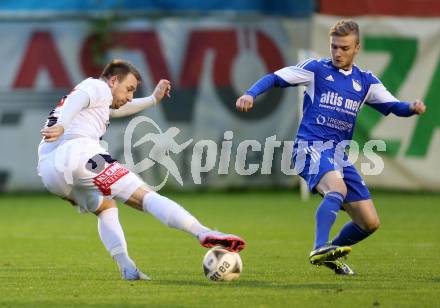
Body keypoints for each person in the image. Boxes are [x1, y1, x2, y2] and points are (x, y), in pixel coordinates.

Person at [235, 20, 426, 275]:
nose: (337, 53)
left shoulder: (365, 82)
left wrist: (411, 108)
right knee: (337, 186)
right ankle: (319, 246)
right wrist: (250, 93)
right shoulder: (316, 70)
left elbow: (392, 105)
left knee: (369, 222)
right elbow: (275, 78)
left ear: (357, 48)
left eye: (344, 48)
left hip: (338, 156)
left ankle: (331, 253)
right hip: (309, 146)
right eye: (334, 47)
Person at [37, 59, 245, 280]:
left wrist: (153, 100)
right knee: (144, 196)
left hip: (49, 171)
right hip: (79, 153)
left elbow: (115, 110)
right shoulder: (97, 86)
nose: (129, 96)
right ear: (113, 80)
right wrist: (62, 124)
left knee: (106, 206)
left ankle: (128, 268)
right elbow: (79, 99)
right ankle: (203, 232)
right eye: (129, 89)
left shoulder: (97, 102)